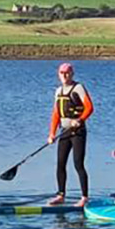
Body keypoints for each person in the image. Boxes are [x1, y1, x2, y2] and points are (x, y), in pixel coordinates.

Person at [47, 62, 94, 207]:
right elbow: (56, 113)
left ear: (72, 74)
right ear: (58, 74)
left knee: (78, 164)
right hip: (64, 132)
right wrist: (51, 133)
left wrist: (79, 120)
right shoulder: (58, 91)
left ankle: (84, 197)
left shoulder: (78, 88)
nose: (64, 75)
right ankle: (61, 195)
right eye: (62, 73)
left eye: (67, 72)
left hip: (78, 132)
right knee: (60, 163)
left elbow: (90, 107)